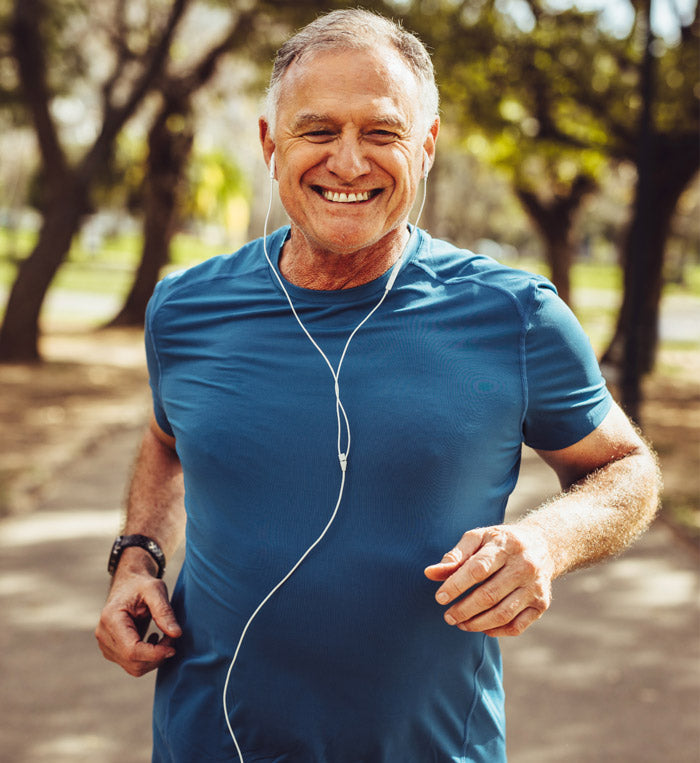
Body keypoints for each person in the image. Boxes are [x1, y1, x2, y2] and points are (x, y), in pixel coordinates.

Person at [95, 9, 660, 762]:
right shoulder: (185, 308)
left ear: (425, 147)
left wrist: (544, 541)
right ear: (271, 143)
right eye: (318, 130)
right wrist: (137, 558)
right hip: (205, 739)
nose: (350, 162)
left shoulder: (517, 315)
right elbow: (168, 439)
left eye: (383, 132)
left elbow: (627, 468)